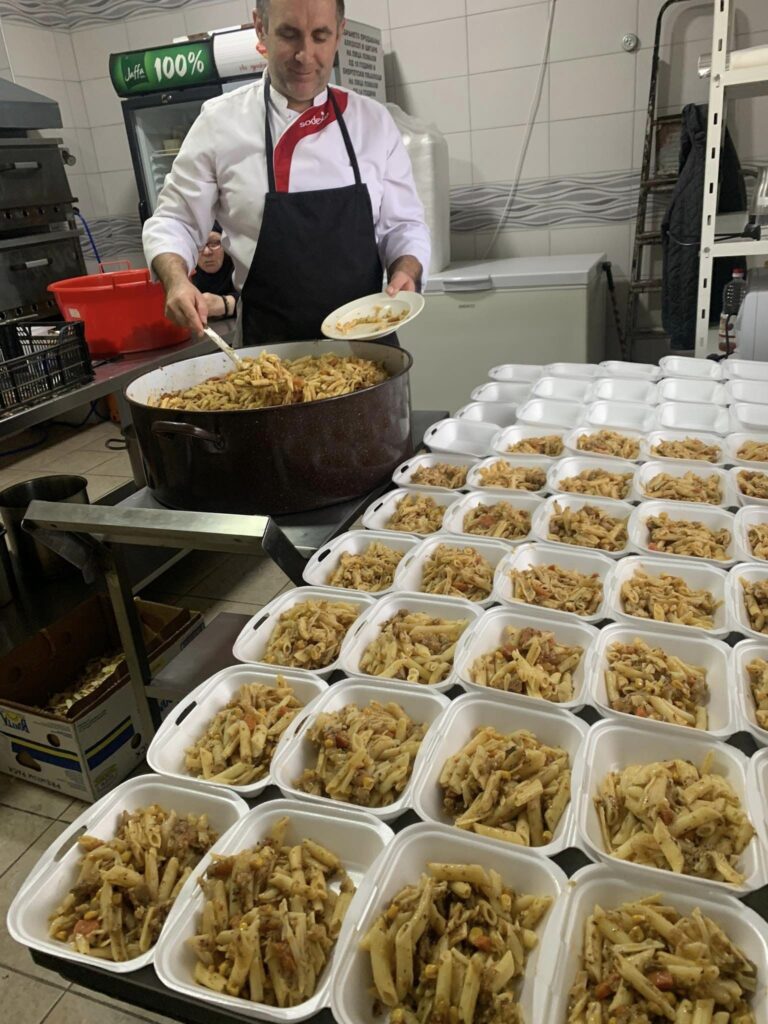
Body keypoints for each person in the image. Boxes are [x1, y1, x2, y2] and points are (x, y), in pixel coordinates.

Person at [143, 0, 430, 346]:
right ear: (260, 29)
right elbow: (175, 220)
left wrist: (406, 270)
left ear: (339, 34)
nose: (305, 55)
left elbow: (403, 225)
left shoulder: (373, 122)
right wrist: (176, 280)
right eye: (289, 35)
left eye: (320, 36)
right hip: (267, 359)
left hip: (368, 351)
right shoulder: (220, 123)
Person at [193, 224, 239, 320]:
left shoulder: (240, 265)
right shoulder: (186, 272)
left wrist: (225, 304)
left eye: (214, 243)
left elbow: (261, 299)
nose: (207, 252)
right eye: (199, 245)